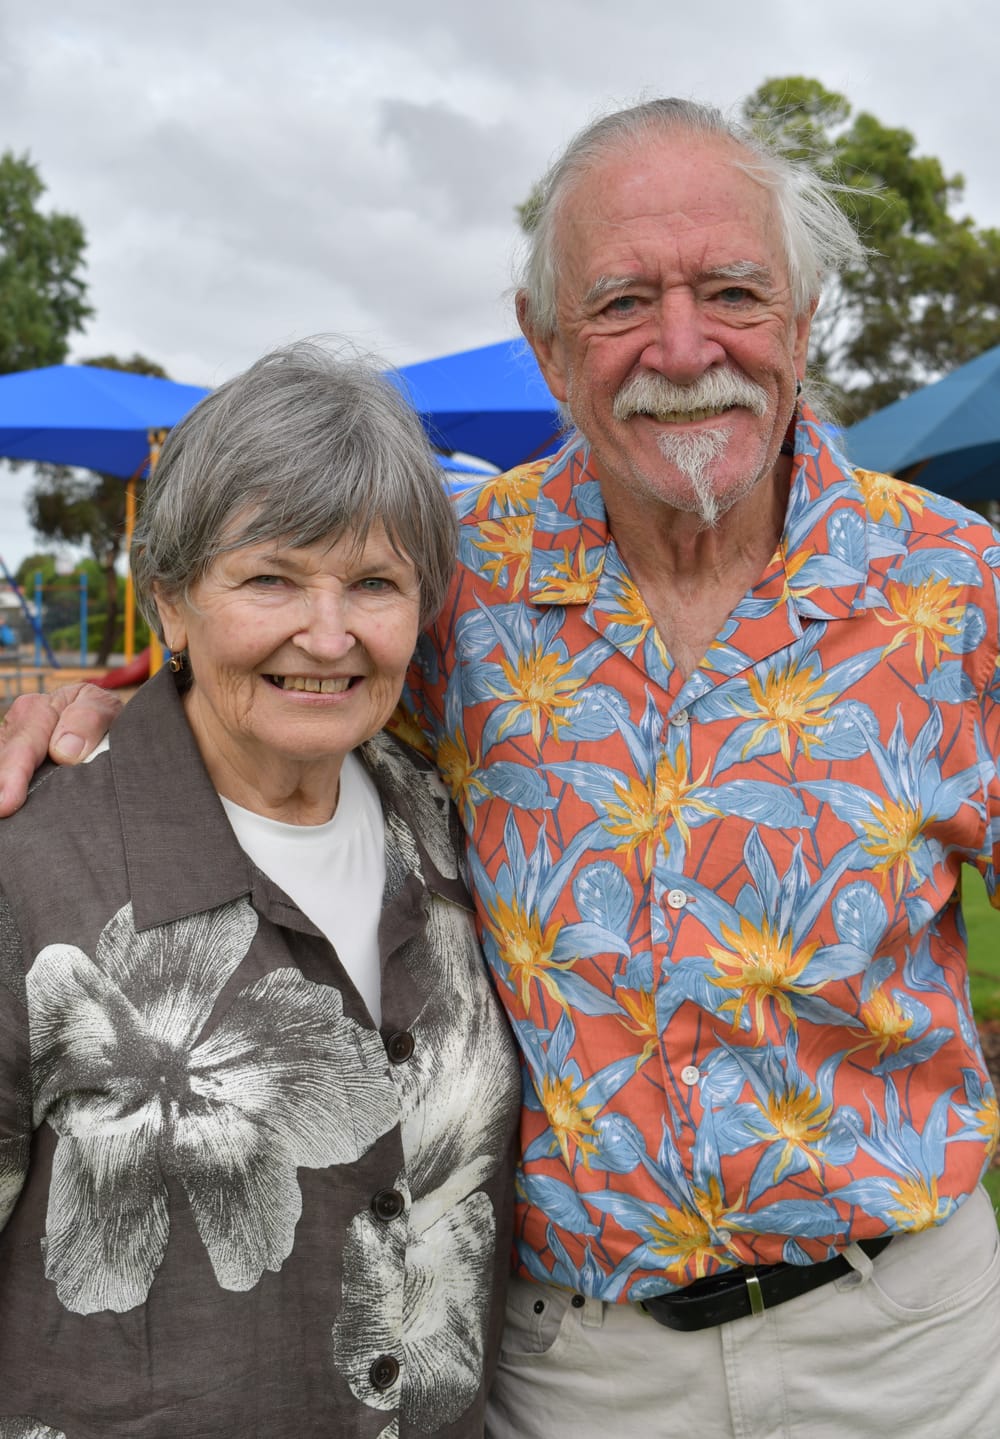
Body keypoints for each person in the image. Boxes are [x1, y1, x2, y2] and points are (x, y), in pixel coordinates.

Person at [3, 97, 1000, 1438]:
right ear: (547, 346)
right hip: (574, 1367)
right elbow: (289, 658)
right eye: (623, 301)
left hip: (903, 1341)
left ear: (805, 317)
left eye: (732, 291)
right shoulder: (460, 574)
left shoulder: (958, 587)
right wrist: (111, 695)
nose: (685, 346)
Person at [0, 342, 520, 1438]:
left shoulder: (447, 833)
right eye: (271, 577)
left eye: (373, 582)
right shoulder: (35, 868)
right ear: (173, 603)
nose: (326, 635)